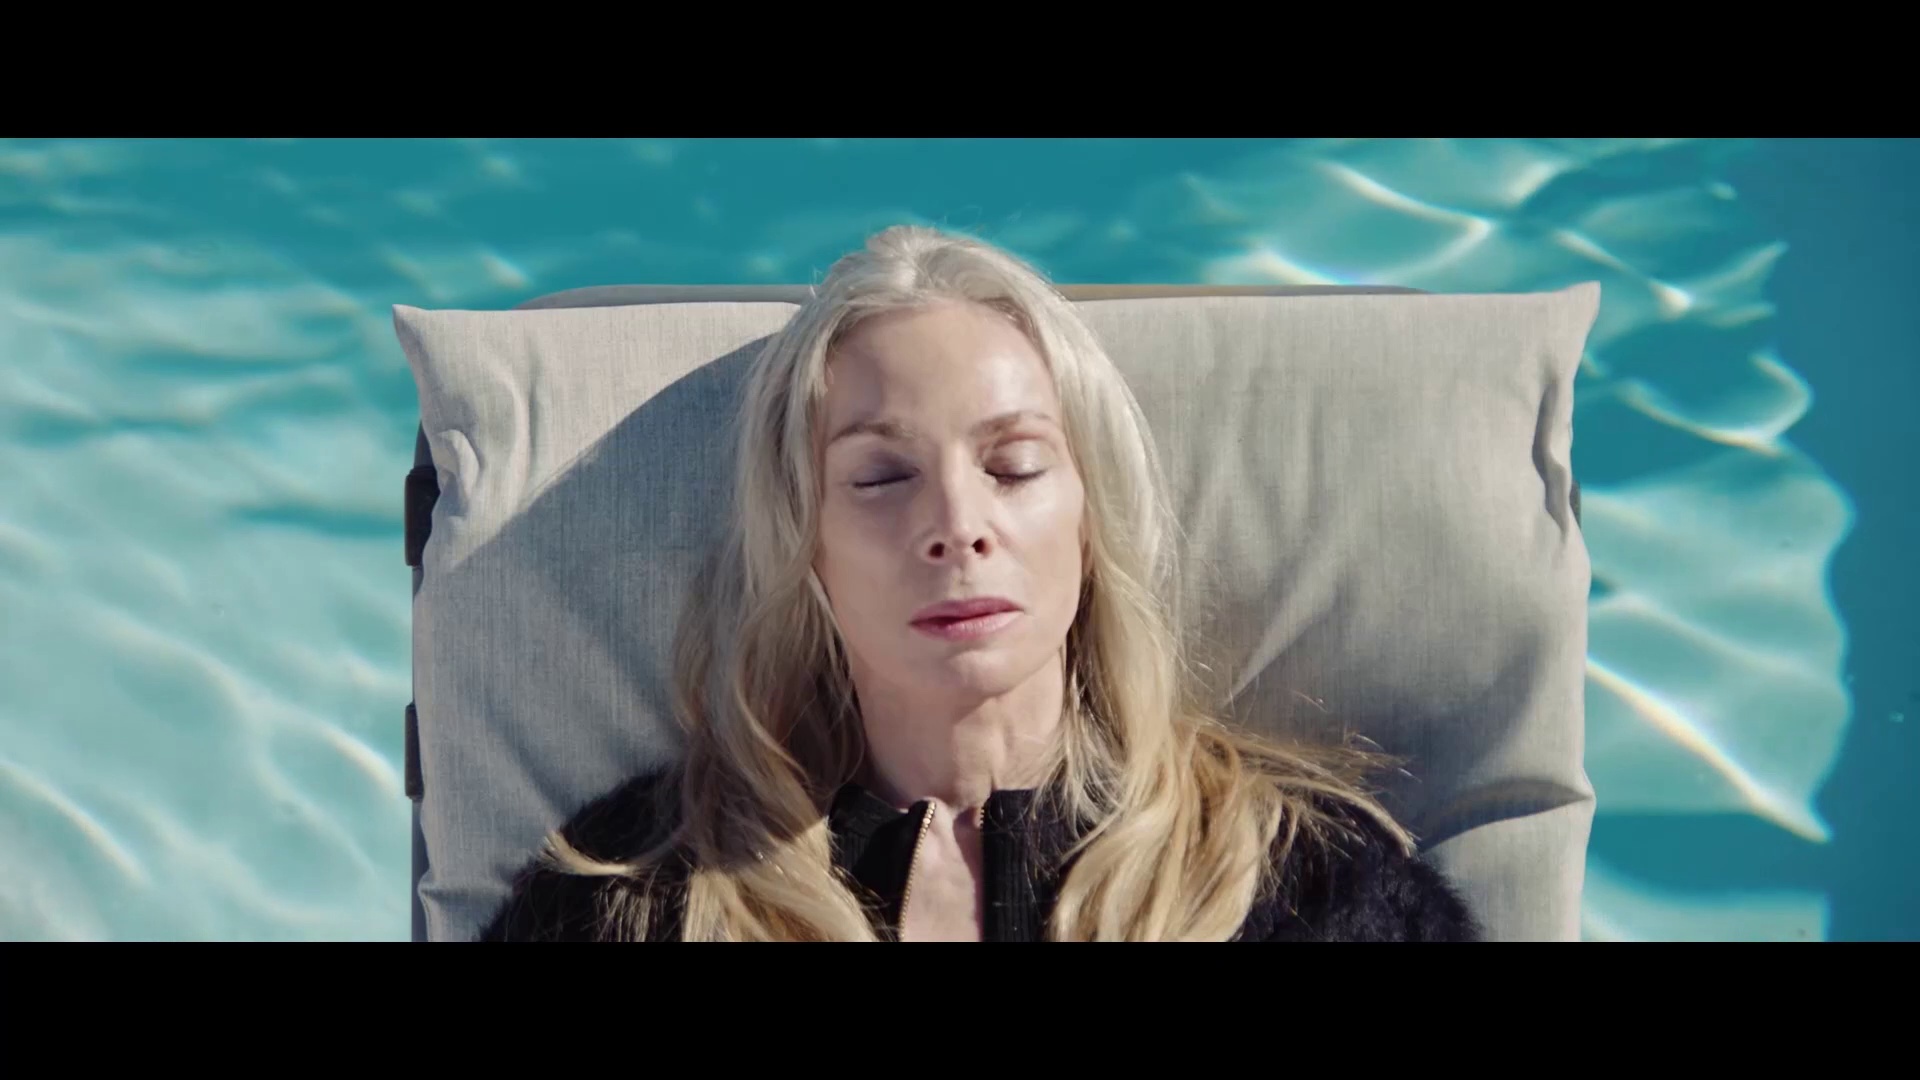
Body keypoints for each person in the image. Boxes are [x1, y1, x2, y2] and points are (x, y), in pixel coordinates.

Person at [479, 225, 1482, 942]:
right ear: (804, 544)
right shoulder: (635, 892)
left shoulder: (1304, 884)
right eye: (882, 477)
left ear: (1089, 517)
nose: (957, 525)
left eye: (1013, 466)